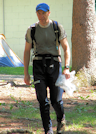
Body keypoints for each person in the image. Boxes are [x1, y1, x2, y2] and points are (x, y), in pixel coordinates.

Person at [24, 3, 70, 134]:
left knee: (56, 100)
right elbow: (27, 51)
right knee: (42, 100)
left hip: (54, 64)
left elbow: (66, 48)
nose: (41, 16)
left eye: (43, 13)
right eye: (38, 13)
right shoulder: (31, 29)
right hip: (38, 65)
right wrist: (26, 73)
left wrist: (66, 67)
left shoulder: (57, 27)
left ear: (49, 13)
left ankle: (61, 119)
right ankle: (48, 130)